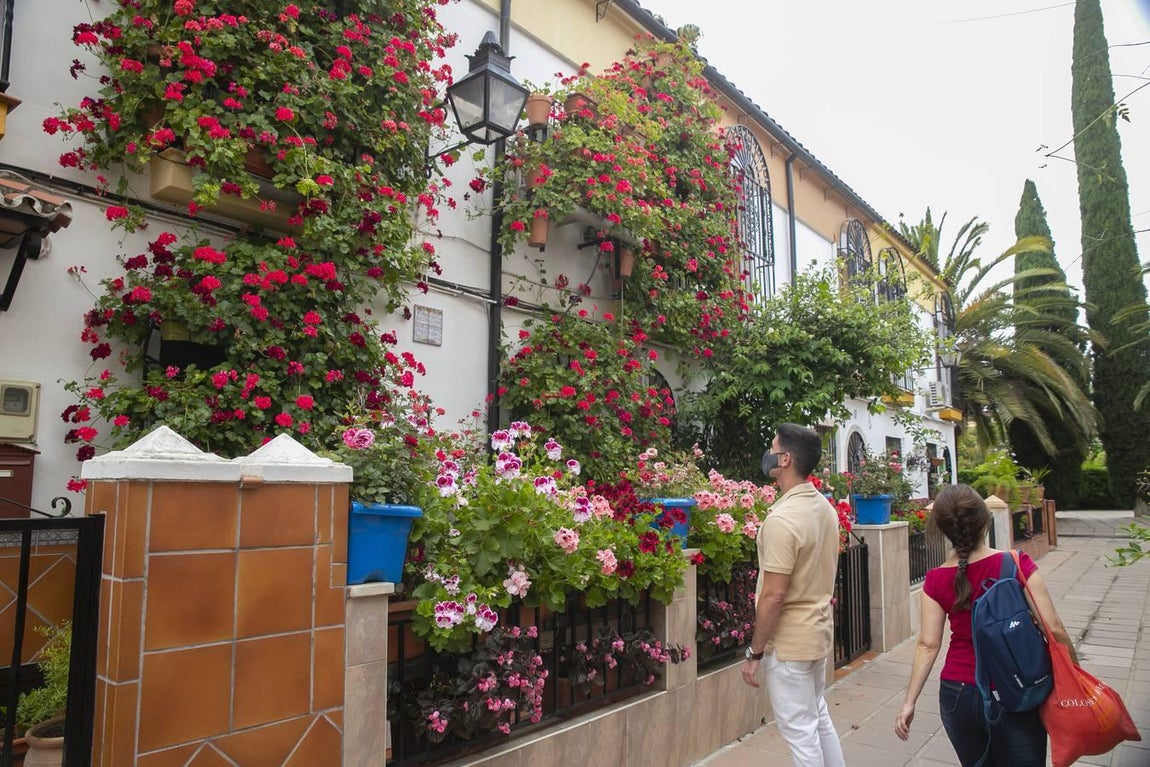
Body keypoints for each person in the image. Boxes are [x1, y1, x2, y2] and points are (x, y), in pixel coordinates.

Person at [895, 483, 1078, 766]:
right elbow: (1052, 628)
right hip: (1016, 690)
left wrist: (909, 703)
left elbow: (928, 644)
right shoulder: (1015, 563)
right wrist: (1074, 676)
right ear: (984, 519)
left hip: (957, 695)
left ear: (943, 529)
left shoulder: (935, 579)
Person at [740, 423, 845, 767]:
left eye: (772, 447)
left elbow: (773, 596)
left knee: (801, 734)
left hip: (789, 646)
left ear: (784, 459)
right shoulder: (825, 509)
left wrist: (755, 653)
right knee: (818, 719)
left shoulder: (783, 519)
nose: (768, 453)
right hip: (816, 634)